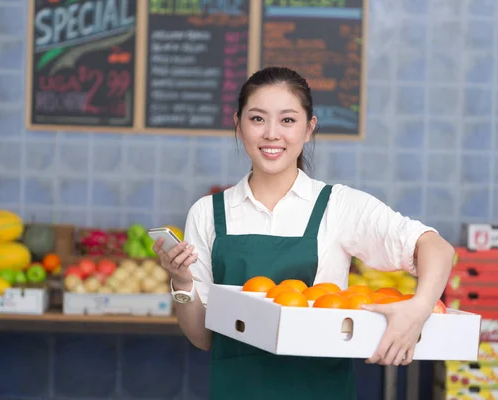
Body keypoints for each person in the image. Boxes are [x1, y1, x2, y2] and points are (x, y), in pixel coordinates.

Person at [153, 66, 455, 400]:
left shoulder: (337, 206)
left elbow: (436, 247)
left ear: (308, 129)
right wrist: (182, 282)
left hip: (320, 390)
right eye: (257, 119)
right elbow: (203, 338)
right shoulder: (208, 212)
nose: (271, 134)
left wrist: (420, 308)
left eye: (287, 120)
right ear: (238, 126)